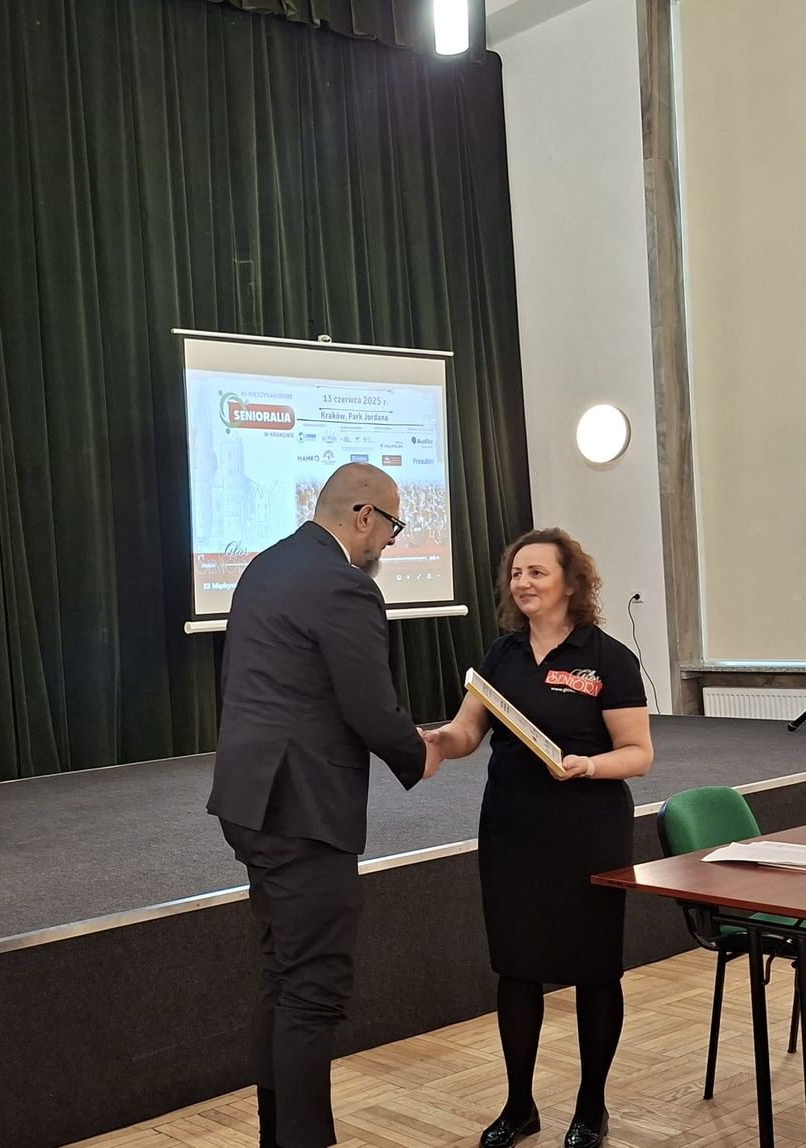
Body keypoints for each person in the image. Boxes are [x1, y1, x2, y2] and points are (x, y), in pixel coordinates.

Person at [208, 462, 438, 1148]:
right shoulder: (343, 585)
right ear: (364, 515)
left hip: (251, 800)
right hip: (302, 809)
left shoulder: (265, 566)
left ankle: (278, 1135)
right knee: (314, 990)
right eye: (393, 525)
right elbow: (369, 706)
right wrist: (421, 752)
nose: (391, 541)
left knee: (284, 976)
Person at [421, 528, 652, 1148]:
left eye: (537, 572)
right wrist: (438, 741)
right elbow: (468, 732)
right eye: (516, 573)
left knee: (595, 971)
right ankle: (519, 1106)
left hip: (588, 832)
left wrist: (587, 765)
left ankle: (591, 1108)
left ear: (572, 582)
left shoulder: (608, 658)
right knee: (517, 970)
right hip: (512, 830)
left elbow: (638, 754)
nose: (522, 582)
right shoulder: (501, 656)